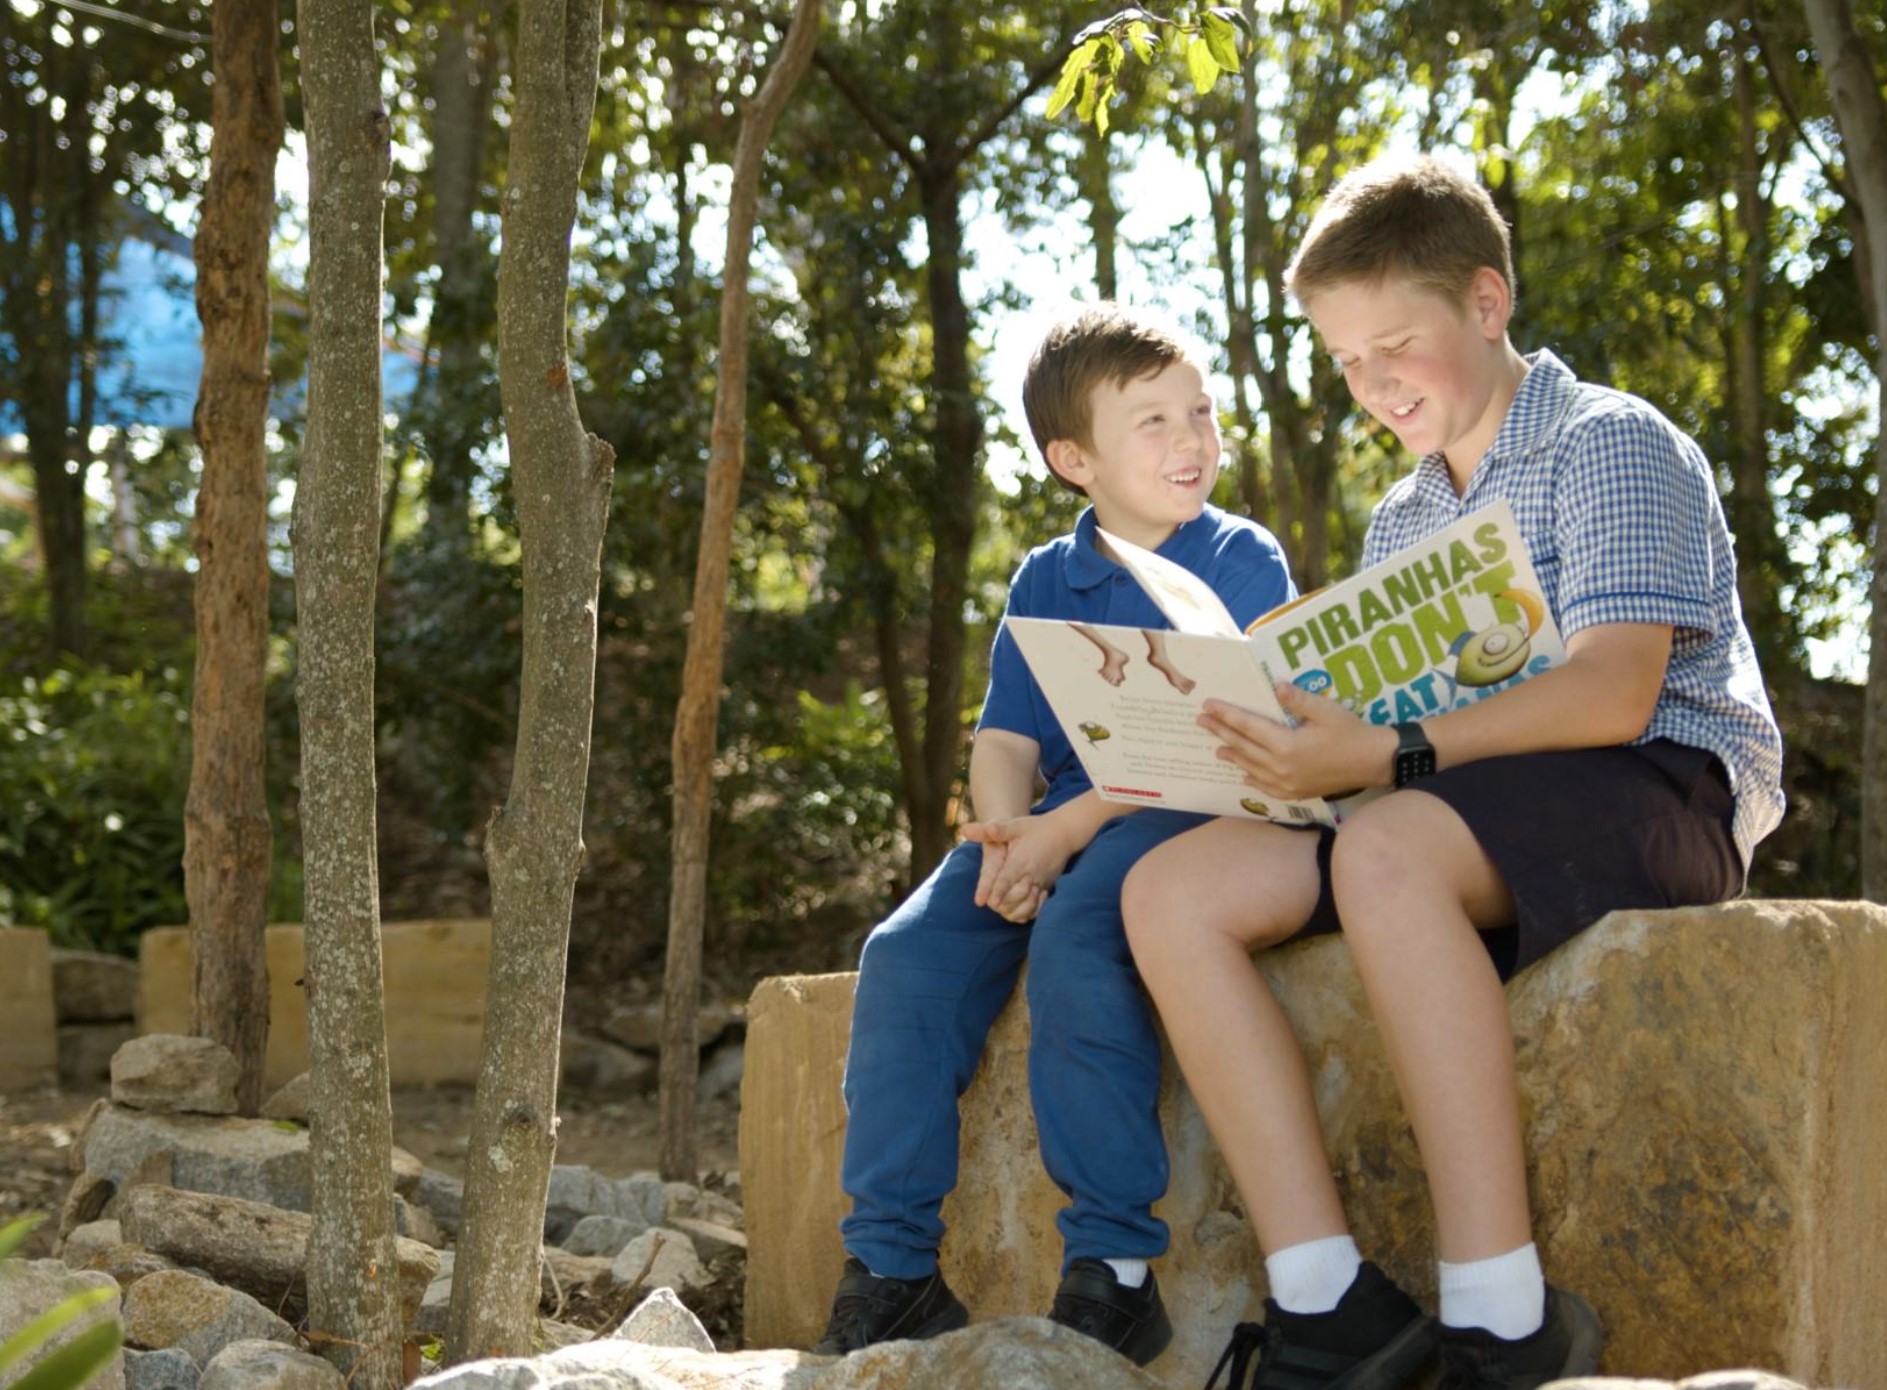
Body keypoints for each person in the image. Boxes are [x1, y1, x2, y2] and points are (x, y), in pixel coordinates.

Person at [1121, 155, 1785, 1390]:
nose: (1373, 386)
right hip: (1443, 800)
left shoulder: (1610, 443)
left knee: (1387, 843)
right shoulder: (1405, 520)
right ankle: (1330, 1301)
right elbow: (1392, 732)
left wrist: (1384, 755)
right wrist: (1284, 746)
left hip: (1658, 781)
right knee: (1171, 891)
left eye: (1396, 347)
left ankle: (1501, 1315)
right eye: (1344, 362)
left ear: (1487, 304)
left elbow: (1613, 689)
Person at [815, 303, 1296, 1366]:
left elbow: (1222, 742)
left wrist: (1065, 833)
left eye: (1201, 413)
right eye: (1155, 423)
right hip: (1060, 816)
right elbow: (1005, 738)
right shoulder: (1048, 577)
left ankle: (1114, 1267)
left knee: (1082, 923)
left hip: (1186, 808)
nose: (1193, 440)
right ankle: (891, 1267)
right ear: (1073, 458)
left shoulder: (1240, 558)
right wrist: (1002, 837)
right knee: (906, 955)